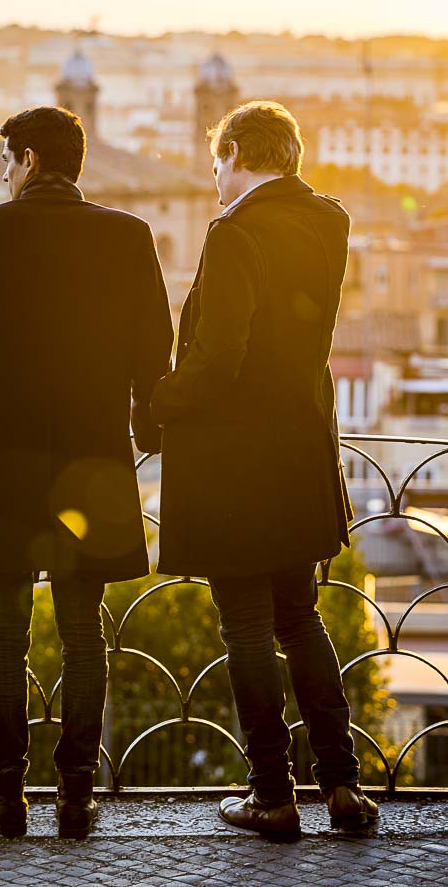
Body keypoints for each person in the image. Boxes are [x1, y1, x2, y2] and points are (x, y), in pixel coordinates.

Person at [0, 106, 173, 838]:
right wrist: (147, 431)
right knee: (84, 634)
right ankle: (79, 797)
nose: (2, 174)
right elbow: (154, 350)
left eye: (5, 160)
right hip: (92, 459)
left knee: (5, 632)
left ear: (25, 159)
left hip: (10, 459)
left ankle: (8, 793)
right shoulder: (129, 236)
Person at [150, 101, 379, 840]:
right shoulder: (327, 221)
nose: (213, 178)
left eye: (216, 161)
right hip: (301, 452)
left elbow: (221, 358)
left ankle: (271, 795)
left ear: (240, 152)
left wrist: (159, 400)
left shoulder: (233, 232)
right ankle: (342, 787)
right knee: (300, 617)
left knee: (245, 625)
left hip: (236, 460)